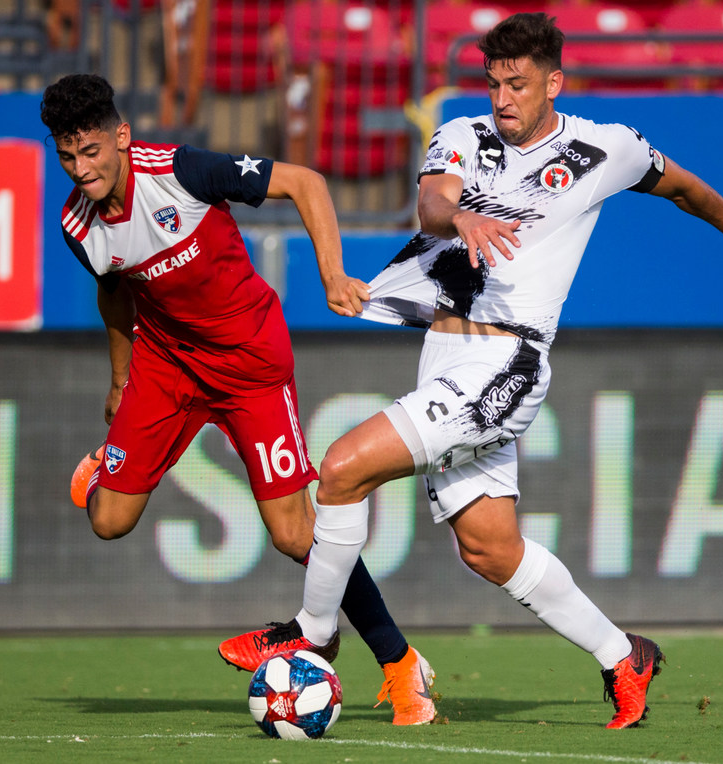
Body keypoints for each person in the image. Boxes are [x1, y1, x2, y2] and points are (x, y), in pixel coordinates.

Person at [226, 13, 723, 730]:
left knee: (339, 469)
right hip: (445, 352)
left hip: (507, 360)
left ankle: (312, 636)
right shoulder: (463, 134)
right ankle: (624, 656)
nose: (502, 98)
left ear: (553, 82)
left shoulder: (603, 148)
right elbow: (432, 200)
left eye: (517, 85)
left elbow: (680, 185)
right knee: (490, 550)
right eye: (494, 83)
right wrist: (458, 218)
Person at [40, 73, 437, 726]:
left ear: (122, 137)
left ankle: (398, 665)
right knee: (108, 521)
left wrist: (333, 274)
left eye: (92, 153)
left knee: (293, 534)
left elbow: (304, 182)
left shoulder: (183, 173)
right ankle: (108, 455)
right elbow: (115, 292)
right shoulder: (77, 226)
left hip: (250, 364)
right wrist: (119, 380)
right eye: (68, 157)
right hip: (166, 369)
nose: (82, 171)